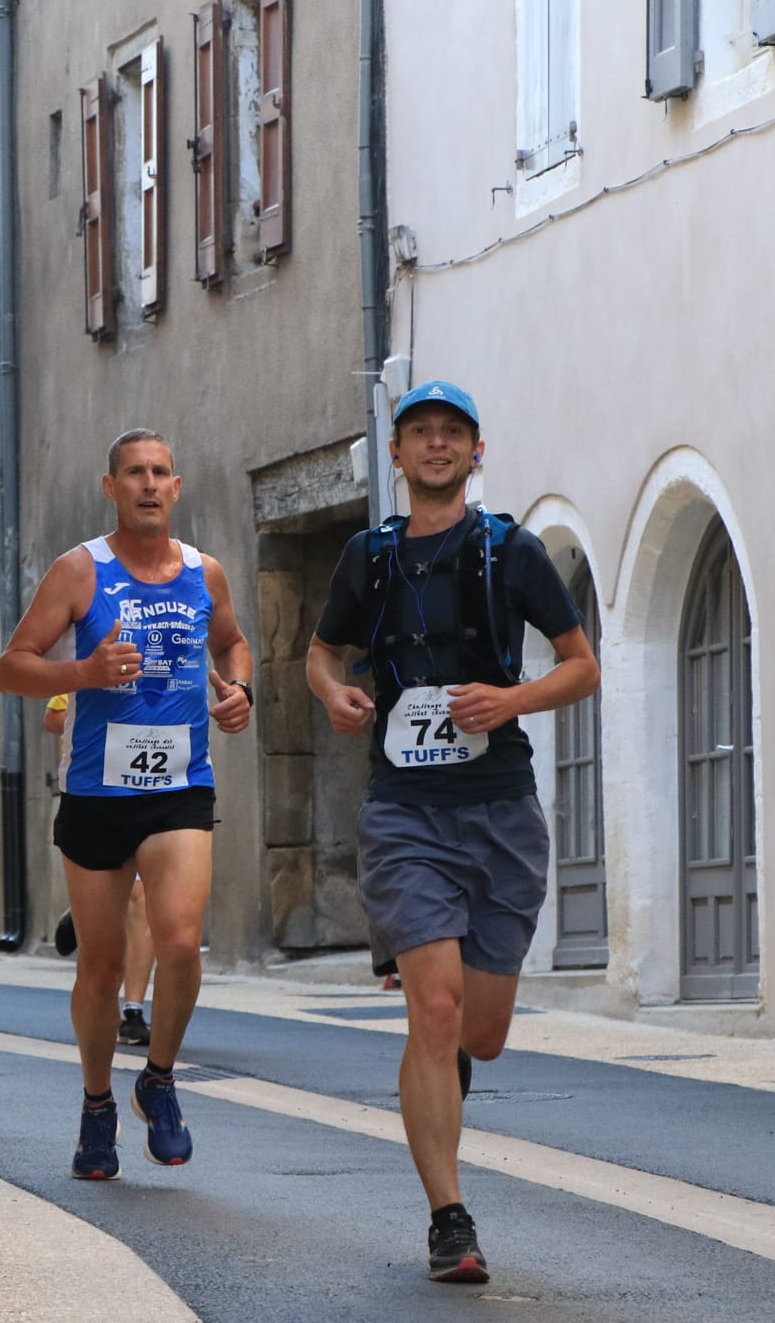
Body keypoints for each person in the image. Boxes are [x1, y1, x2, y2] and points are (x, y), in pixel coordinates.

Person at [306, 381, 599, 1283]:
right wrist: (336, 692)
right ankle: (449, 1217)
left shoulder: (511, 551)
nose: (435, 445)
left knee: (481, 1031)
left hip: (500, 807)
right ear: (395, 455)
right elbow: (320, 652)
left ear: (476, 452)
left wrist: (510, 697)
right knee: (430, 1011)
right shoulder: (368, 555)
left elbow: (582, 666)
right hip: (404, 810)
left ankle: (448, 1075)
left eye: (452, 434)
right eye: (419, 433)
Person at [0, 429, 252, 1181]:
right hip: (97, 794)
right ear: (110, 487)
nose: (148, 484)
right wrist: (82, 669)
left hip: (180, 786)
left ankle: (160, 1077)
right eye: (133, 473)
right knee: (101, 969)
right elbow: (13, 667)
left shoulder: (206, 573)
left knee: (178, 941)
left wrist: (238, 691)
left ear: (177, 486)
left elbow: (233, 645)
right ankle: (98, 1101)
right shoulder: (81, 571)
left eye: (160, 473)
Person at [46, 694, 156, 1048]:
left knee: (143, 899)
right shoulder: (103, 650)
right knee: (115, 921)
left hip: (159, 793)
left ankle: (134, 1010)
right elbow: (53, 716)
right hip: (98, 791)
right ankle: (87, 909)